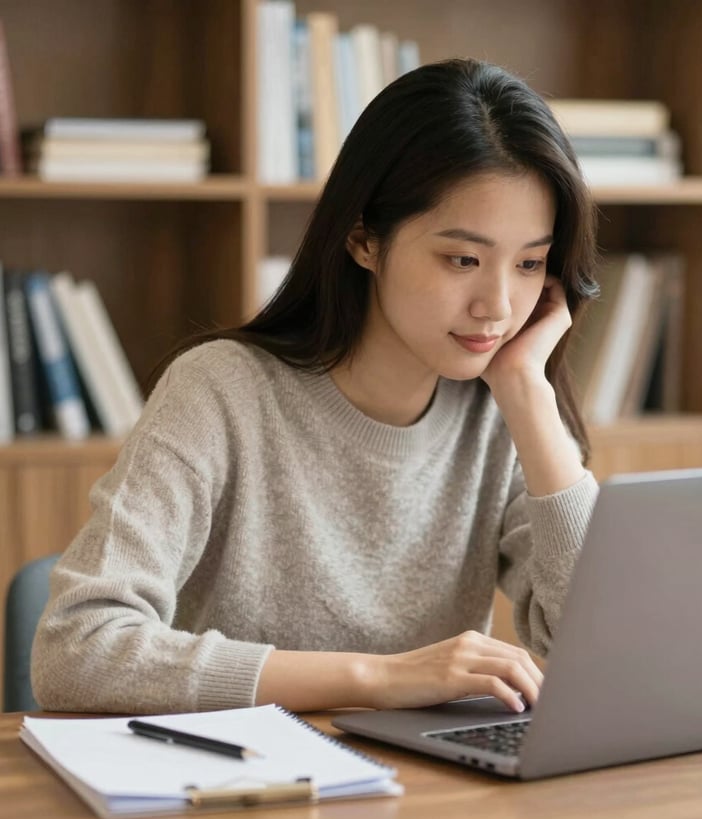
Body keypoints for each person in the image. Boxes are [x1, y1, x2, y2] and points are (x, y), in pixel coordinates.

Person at [31, 58, 600, 716]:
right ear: (363, 239)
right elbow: (76, 649)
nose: (498, 305)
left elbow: (601, 649)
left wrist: (529, 393)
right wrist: (376, 678)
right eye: (462, 259)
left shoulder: (502, 413)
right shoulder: (221, 392)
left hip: (434, 795)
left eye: (530, 262)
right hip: (246, 790)